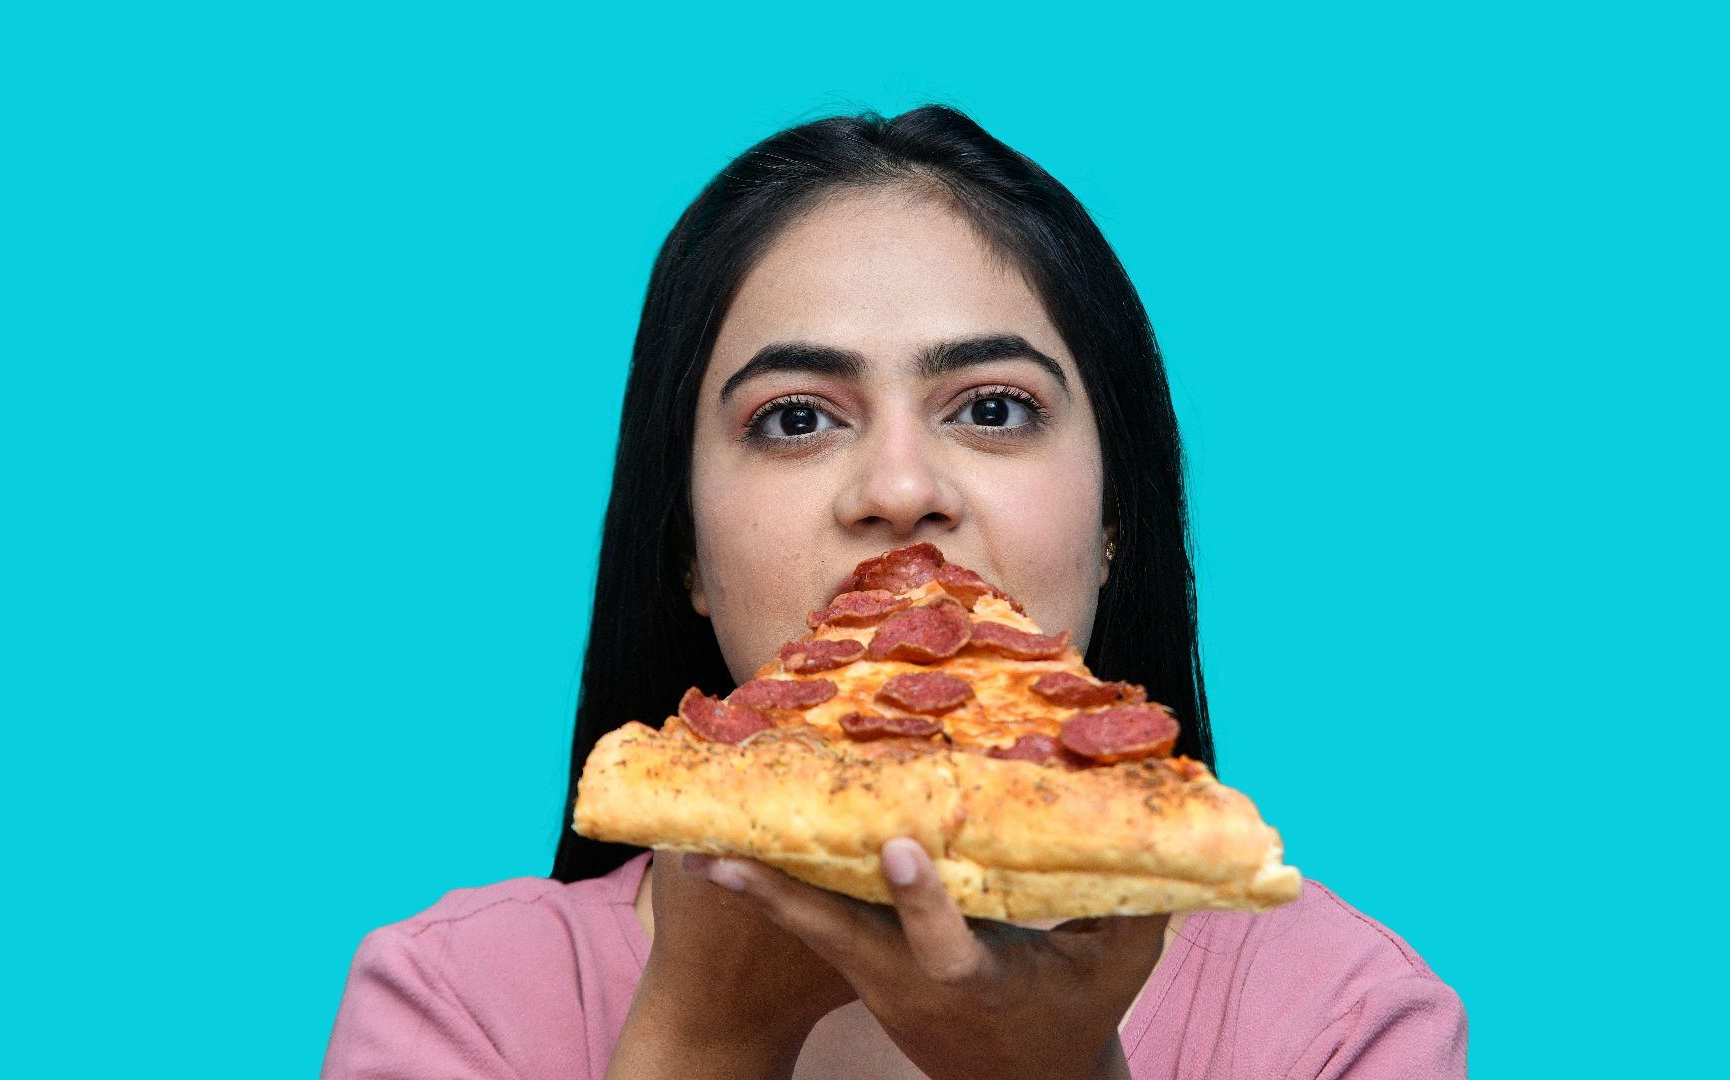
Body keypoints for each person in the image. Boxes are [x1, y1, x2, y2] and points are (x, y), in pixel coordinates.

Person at [321, 105, 1468, 1079]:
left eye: (993, 408)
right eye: (796, 419)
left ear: (1115, 521)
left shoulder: (1340, 1017)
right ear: (685, 553)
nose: (902, 491)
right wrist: (706, 1037)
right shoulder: (455, 1000)